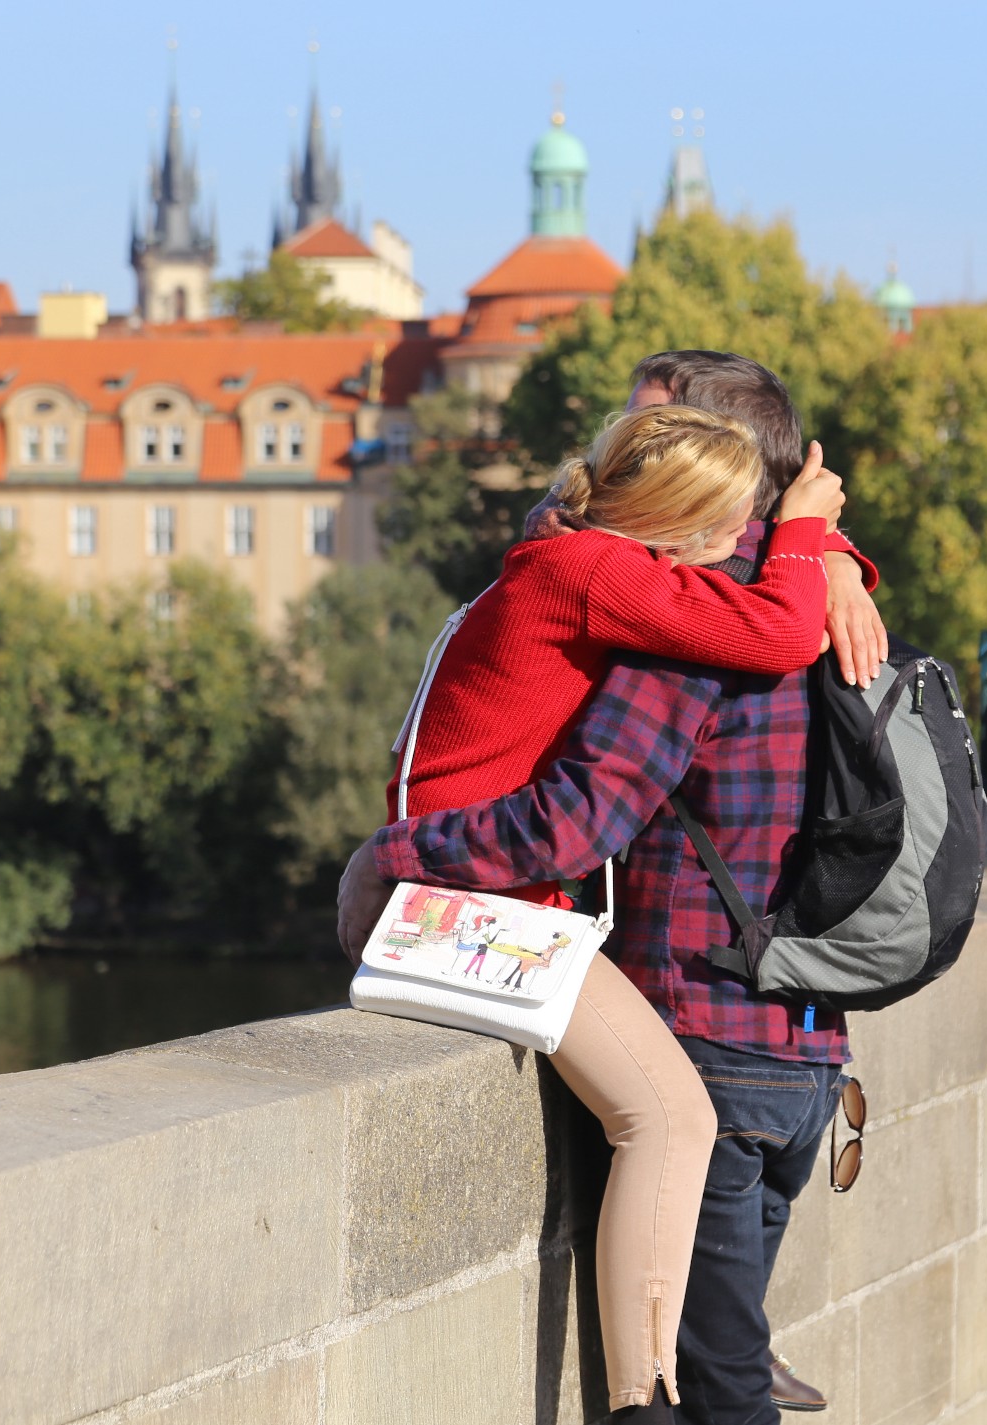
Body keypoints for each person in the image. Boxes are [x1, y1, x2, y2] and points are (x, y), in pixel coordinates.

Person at [346, 351, 883, 1425]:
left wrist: (826, 553)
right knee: (669, 1119)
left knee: (673, 1120)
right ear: (677, 523)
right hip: (461, 892)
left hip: (490, 891)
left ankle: (654, 1396)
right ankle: (646, 1405)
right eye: (728, 524)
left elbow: (752, 598)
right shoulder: (591, 570)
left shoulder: (577, 552)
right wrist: (813, 541)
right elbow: (768, 627)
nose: (742, 542)